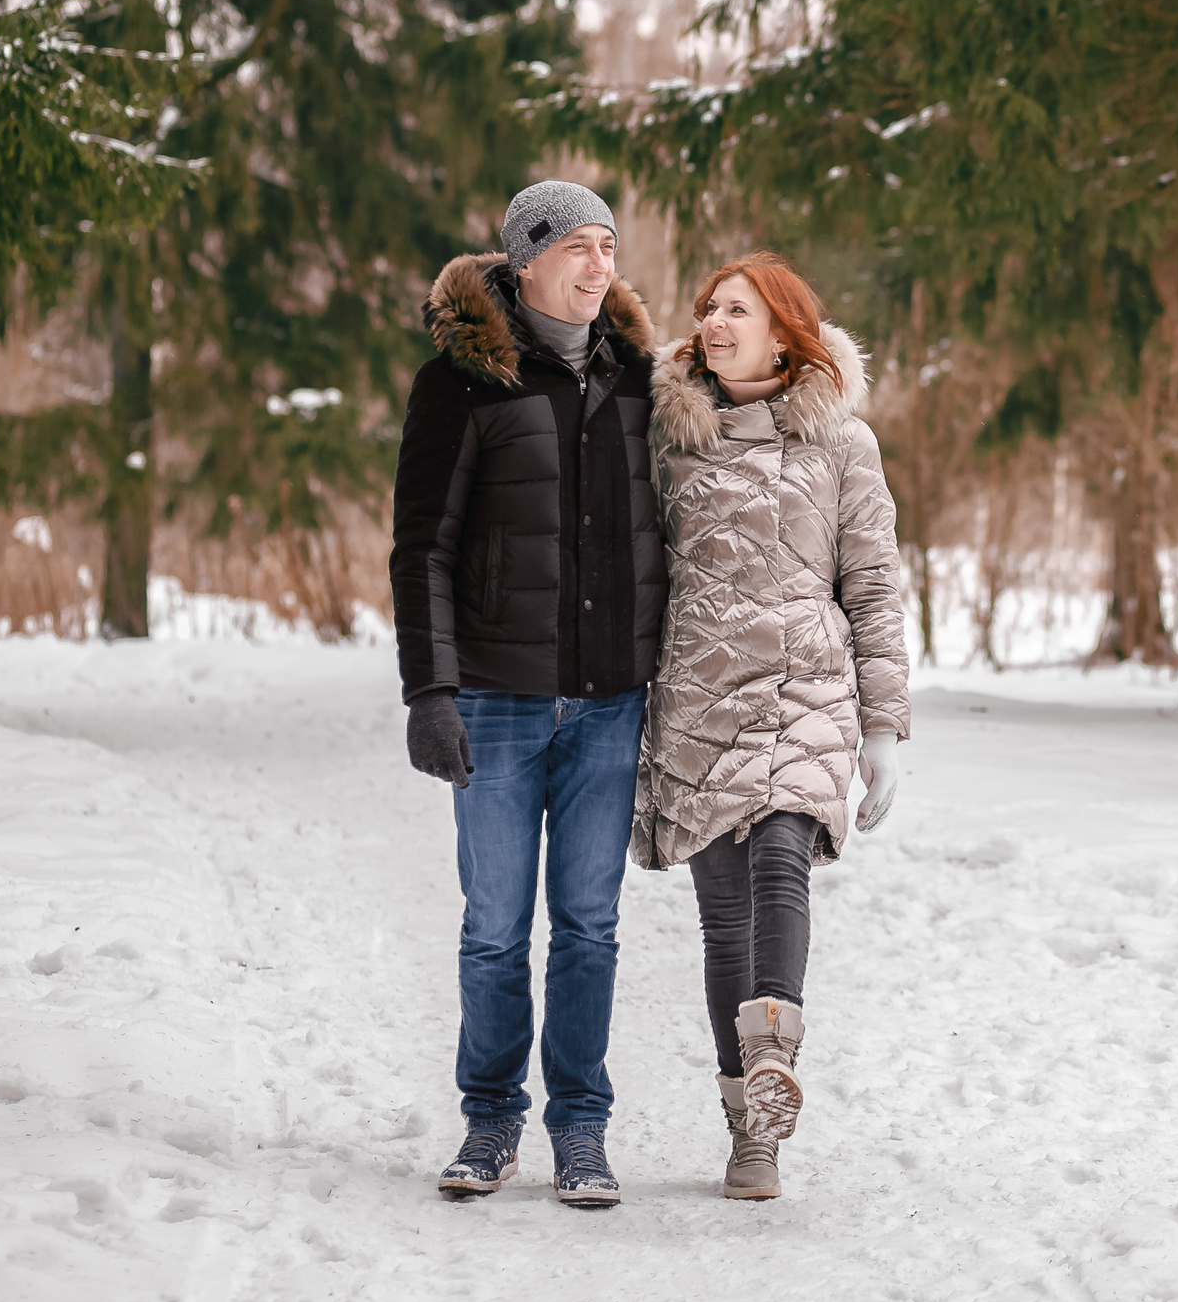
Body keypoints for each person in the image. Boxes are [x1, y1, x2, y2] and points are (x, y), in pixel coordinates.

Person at [389, 180, 665, 1207]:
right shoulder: (459, 385)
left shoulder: (642, 382)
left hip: (608, 701)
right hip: (499, 702)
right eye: (578, 248)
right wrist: (432, 691)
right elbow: (421, 549)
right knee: (495, 925)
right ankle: (491, 1118)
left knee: (588, 925)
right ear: (523, 261)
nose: (600, 267)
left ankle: (581, 1130)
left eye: (609, 248)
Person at [631, 249, 910, 1201]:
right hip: (701, 698)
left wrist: (884, 727)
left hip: (805, 693)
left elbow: (872, 585)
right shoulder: (670, 438)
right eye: (709, 307)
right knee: (723, 922)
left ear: (785, 328)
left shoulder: (844, 444)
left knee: (782, 859)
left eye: (737, 309)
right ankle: (752, 1135)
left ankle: (773, 1052)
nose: (714, 321)